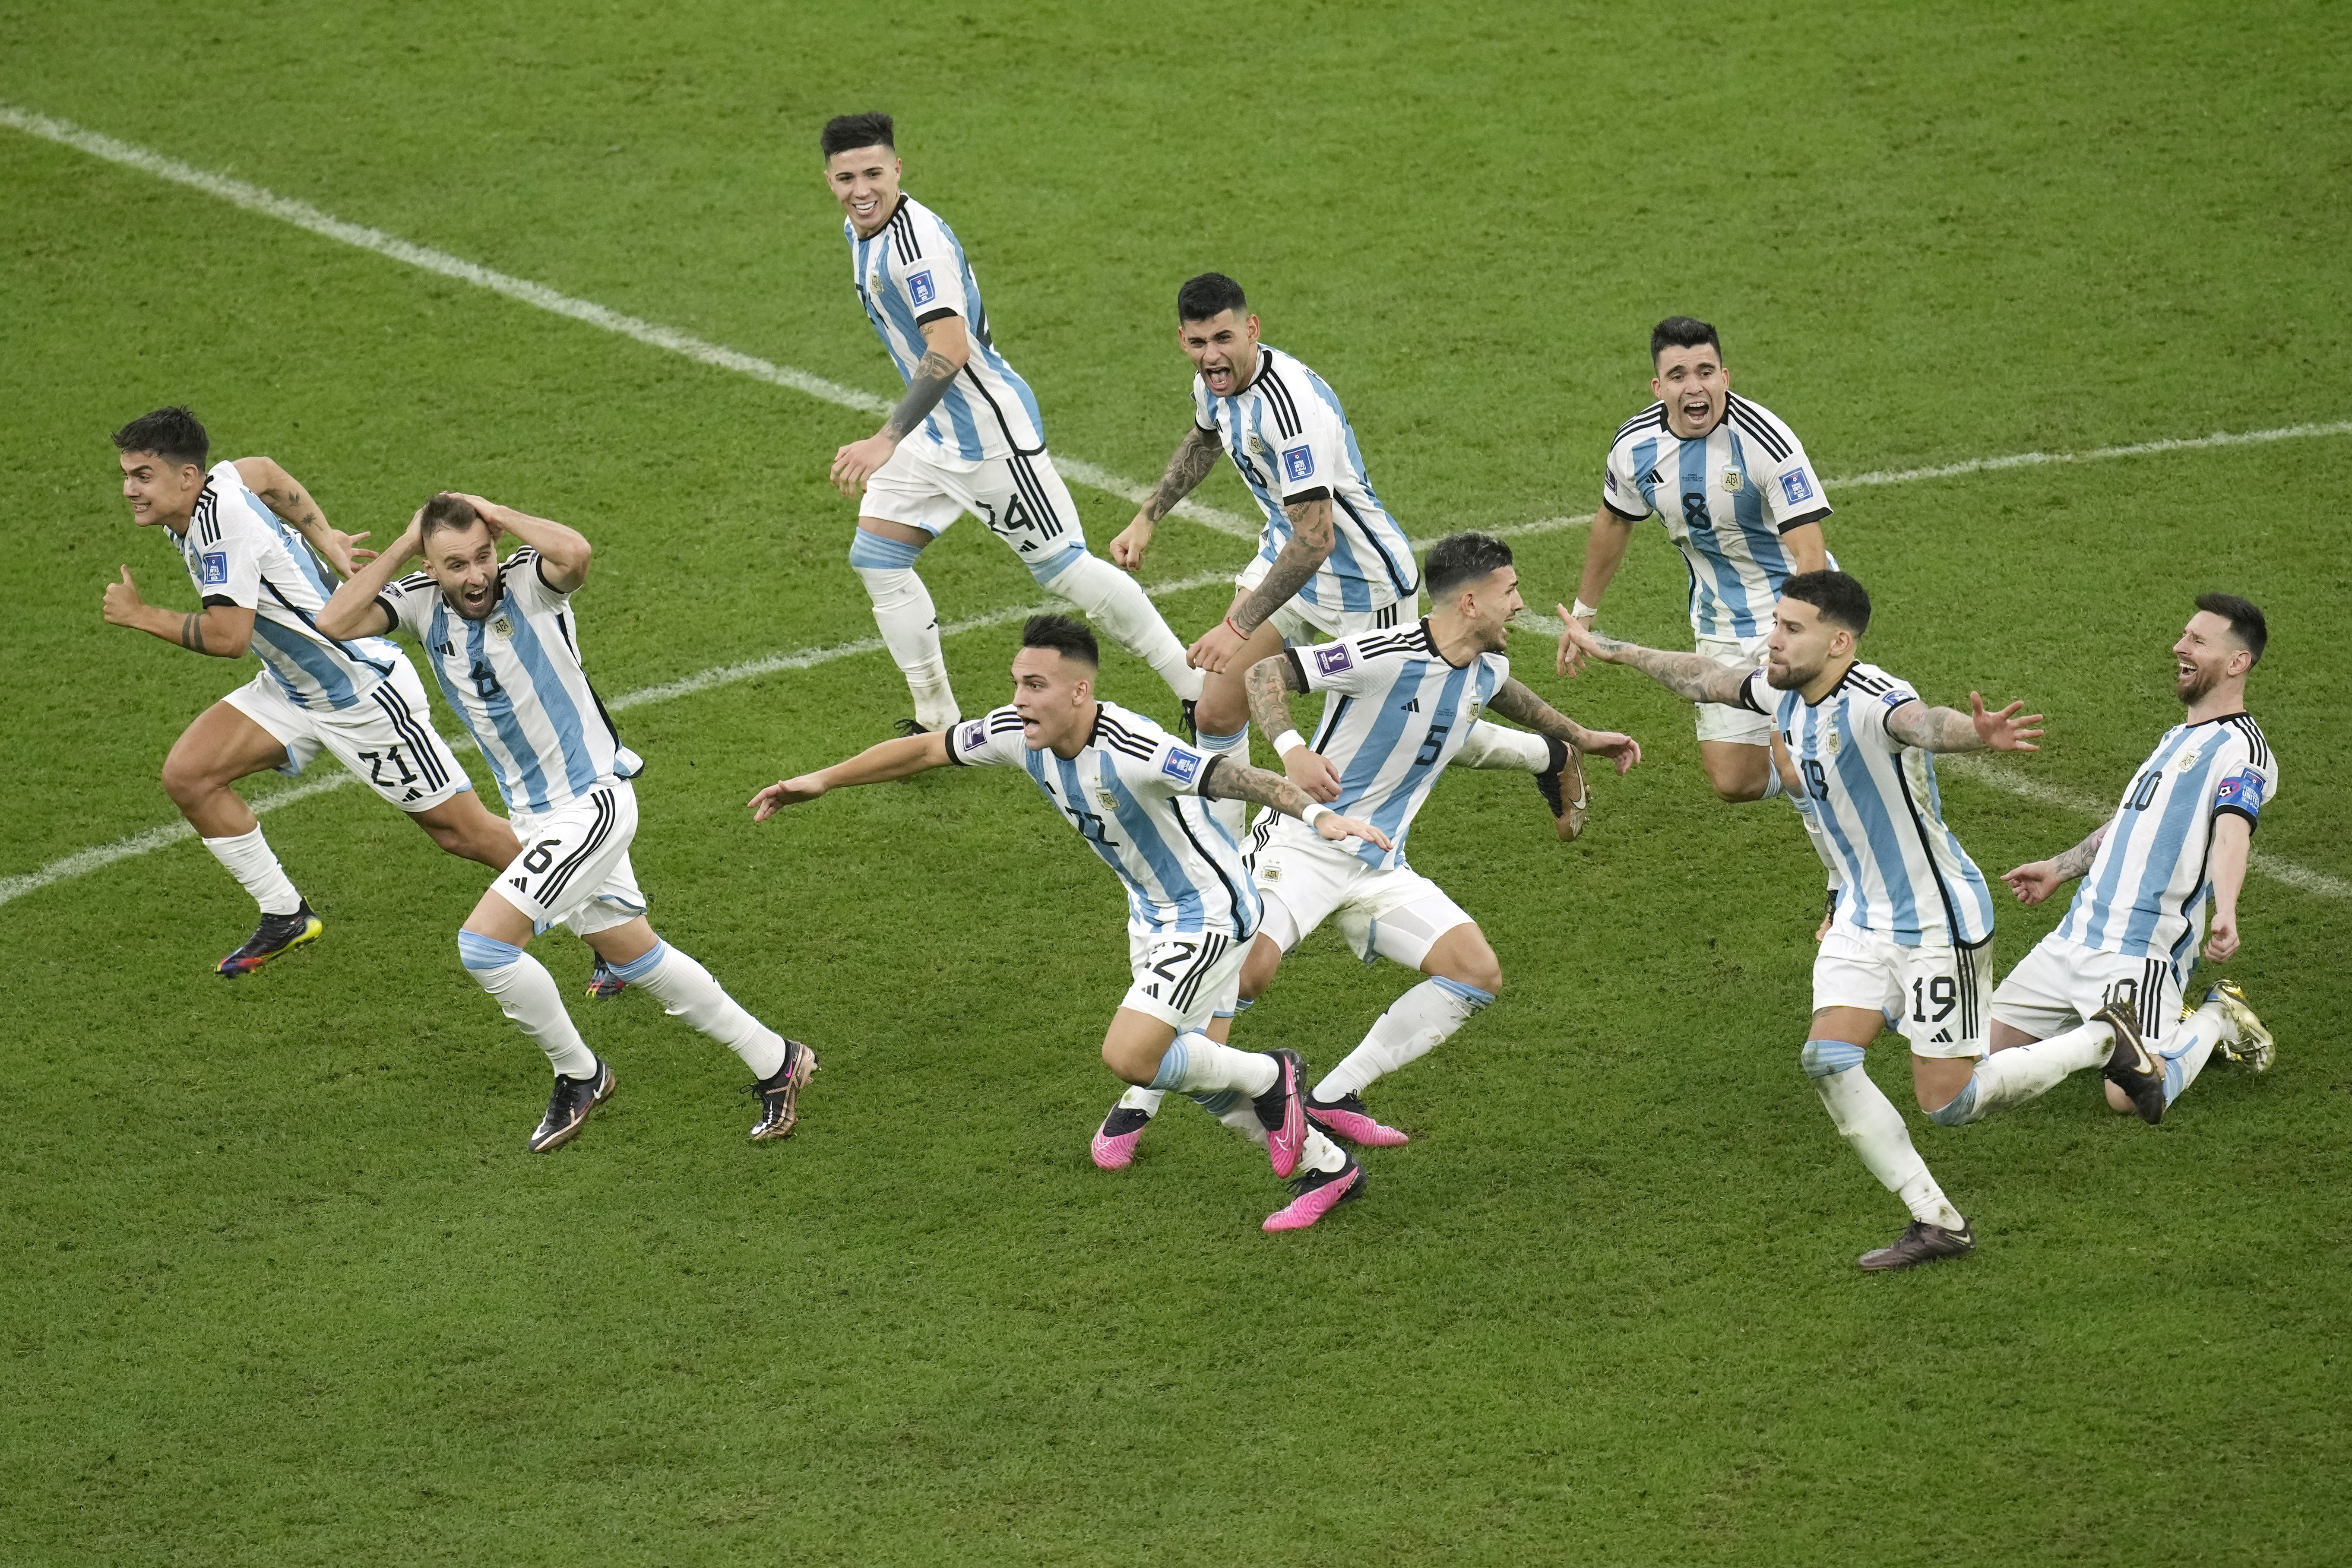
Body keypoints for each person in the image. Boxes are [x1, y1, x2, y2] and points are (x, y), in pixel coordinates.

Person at [748, 615, 1393, 1231]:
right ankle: (1328, 1168)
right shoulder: (1013, 732)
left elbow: (1231, 776)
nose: (1018, 699)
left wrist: (1319, 819)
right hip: (1151, 913)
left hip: (1208, 913)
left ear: (1080, 690)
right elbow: (924, 749)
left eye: (1035, 685)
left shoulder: (1131, 746)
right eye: (1016, 682)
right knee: (1204, 1079)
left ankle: (1274, 1074)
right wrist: (822, 780)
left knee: (1133, 1054)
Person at [1091, 534, 1640, 1167]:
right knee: (1243, 973)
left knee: (1475, 972)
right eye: (1509, 591)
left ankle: (1330, 1094)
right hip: (1303, 840)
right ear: (1468, 602)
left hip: (1379, 860)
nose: (1519, 605)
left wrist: (1577, 736)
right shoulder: (1384, 652)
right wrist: (1293, 749)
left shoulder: (1485, 663)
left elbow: (1501, 694)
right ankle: (1138, 1097)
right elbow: (1266, 670)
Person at [1559, 571, 2046, 1271]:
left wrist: (1977, 734)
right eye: (1775, 623)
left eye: (1791, 628)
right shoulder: (1783, 690)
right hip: (1858, 913)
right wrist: (1615, 651)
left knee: (1950, 1103)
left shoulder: (1873, 700)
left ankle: (2097, 1040)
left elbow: (1924, 724)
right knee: (1827, 1058)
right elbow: (1705, 679)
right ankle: (1934, 1220)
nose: (1772, 640)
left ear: (1839, 641)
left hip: (1935, 921)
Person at [318, 495, 812, 1151]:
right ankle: (777, 1059)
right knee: (636, 955)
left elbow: (576, 553)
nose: (474, 576)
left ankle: (580, 1073)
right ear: (431, 567)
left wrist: (497, 511)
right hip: (535, 818)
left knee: (484, 946)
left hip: (592, 803)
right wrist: (408, 544)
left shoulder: (530, 583)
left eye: (482, 556)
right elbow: (333, 620)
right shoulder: (416, 600)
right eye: (455, 563)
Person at [1109, 272, 1588, 839]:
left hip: (1365, 586)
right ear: (1181, 340)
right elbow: (1206, 435)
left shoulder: (1291, 411)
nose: (1211, 356)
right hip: (1284, 559)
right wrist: (1148, 514)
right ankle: (1223, 866)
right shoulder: (1213, 384)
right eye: (1197, 342)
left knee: (1410, 731)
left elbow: (1317, 540)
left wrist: (1237, 624)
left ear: (1251, 330)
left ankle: (1549, 755)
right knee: (1216, 709)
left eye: (1222, 339)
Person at [819, 112, 1201, 733]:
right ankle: (937, 717)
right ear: (829, 179)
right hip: (935, 434)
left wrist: (884, 439)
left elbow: (949, 347)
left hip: (987, 437)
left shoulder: (916, 249)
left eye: (872, 173)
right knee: (877, 557)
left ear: (897, 170)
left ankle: (1195, 685)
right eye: (845, 178)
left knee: (1066, 571)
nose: (860, 190)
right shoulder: (861, 228)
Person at [102, 406, 517, 977]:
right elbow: (269, 473)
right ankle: (285, 915)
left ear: (187, 477)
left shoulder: (223, 530)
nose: (129, 489)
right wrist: (329, 541)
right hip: (292, 687)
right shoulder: (223, 479)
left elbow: (228, 637)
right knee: (189, 774)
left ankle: (607, 923)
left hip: (361, 694)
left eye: (142, 475)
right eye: (127, 474)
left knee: (464, 834)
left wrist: (140, 614)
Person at [1928, 596, 2278, 1131]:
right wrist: (2058, 867)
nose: (2178, 647)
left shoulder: (2243, 750)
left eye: (2197, 641)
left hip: (2137, 952)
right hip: (2071, 939)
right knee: (1977, 1066)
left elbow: (2233, 834)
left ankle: (2215, 1015)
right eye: (2184, 635)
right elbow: (2127, 824)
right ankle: (2103, 1036)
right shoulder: (2173, 739)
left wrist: (2225, 909)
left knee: (2130, 1096)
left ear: (2237, 663)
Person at [1559, 317, 1844, 919]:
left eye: (1706, 372)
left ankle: (1842, 890)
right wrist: (1582, 613)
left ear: (1725, 376)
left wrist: (1795, 631)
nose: (1695, 387)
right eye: (1679, 375)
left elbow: (1810, 552)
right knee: (1733, 780)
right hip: (1716, 621)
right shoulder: (1634, 447)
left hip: (1794, 612)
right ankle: (1847, 762)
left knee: (1793, 764)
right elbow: (1614, 520)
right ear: (1656, 386)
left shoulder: (1765, 440)